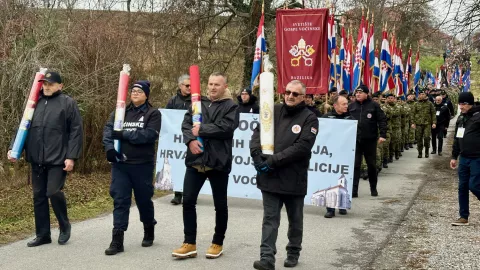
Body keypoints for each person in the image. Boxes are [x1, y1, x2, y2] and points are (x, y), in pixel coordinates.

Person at [7, 71, 83, 247]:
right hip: (36, 158)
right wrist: (14, 148)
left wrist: (71, 157)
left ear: (60, 86)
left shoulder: (68, 103)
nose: (47, 87)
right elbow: (22, 127)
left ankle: (64, 226)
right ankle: (43, 235)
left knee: (53, 192)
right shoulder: (34, 103)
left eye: (50, 84)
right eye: (44, 84)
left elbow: (76, 132)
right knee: (38, 196)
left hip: (58, 158)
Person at [250, 80, 318, 270]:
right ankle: (266, 258)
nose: (290, 96)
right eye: (288, 92)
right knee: (270, 219)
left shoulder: (309, 118)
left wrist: (272, 161)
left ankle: (293, 252)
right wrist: (257, 158)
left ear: (303, 97)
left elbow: (302, 147)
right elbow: (257, 135)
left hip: (293, 177)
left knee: (295, 220)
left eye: (295, 94)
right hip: (270, 178)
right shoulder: (273, 110)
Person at [172, 72, 238, 259]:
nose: (212, 87)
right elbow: (186, 124)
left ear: (225, 86)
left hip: (217, 162)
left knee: (220, 205)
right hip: (196, 161)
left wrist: (201, 129)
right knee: (188, 201)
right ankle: (189, 243)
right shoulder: (197, 103)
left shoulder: (231, 106)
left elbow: (225, 128)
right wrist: (190, 141)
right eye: (210, 84)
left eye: (217, 84)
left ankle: (217, 242)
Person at [102, 80, 161, 255]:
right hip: (121, 165)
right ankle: (117, 239)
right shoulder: (120, 112)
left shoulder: (153, 113)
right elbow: (108, 130)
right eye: (133, 90)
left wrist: (124, 134)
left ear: (146, 95)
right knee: (120, 200)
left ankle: (149, 228)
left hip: (142, 165)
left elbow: (149, 135)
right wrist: (110, 148)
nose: (135, 93)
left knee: (143, 200)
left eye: (139, 91)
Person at [348, 85, 387, 197]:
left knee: (371, 165)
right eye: (357, 93)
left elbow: (382, 120)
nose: (358, 94)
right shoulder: (351, 106)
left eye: (360, 93)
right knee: (355, 165)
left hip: (370, 140)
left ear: (366, 94)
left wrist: (382, 134)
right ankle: (354, 190)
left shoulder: (374, 105)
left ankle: (373, 188)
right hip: (355, 140)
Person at [450, 92, 480, 226]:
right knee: (462, 187)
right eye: (460, 104)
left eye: (463, 104)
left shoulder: (478, 117)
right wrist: (453, 156)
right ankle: (463, 216)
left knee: (474, 185)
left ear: (470, 104)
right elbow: (457, 138)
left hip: (477, 158)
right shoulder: (461, 118)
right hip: (464, 158)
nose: (460, 107)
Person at [322, 95, 351, 218]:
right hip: (330, 155)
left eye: (346, 104)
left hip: (345, 154)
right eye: (343, 104)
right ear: (335, 106)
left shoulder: (350, 119)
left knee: (343, 179)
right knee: (330, 181)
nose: (346, 106)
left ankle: (342, 205)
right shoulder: (326, 118)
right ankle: (330, 208)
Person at [166, 74, 192, 205]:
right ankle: (177, 194)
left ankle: (190, 193)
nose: (190, 88)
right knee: (177, 164)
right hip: (176, 139)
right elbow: (167, 118)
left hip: (190, 138)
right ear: (180, 86)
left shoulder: (196, 100)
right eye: (187, 85)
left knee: (189, 165)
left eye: (191, 85)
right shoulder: (173, 101)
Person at [411, 90, 436, 158]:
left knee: (427, 137)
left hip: (427, 124)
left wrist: (434, 122)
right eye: (420, 94)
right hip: (418, 124)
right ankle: (420, 152)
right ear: (418, 95)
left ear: (425, 95)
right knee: (419, 138)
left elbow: (433, 113)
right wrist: (412, 123)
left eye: (423, 94)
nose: (421, 95)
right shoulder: (416, 104)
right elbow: (412, 113)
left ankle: (427, 151)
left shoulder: (430, 103)